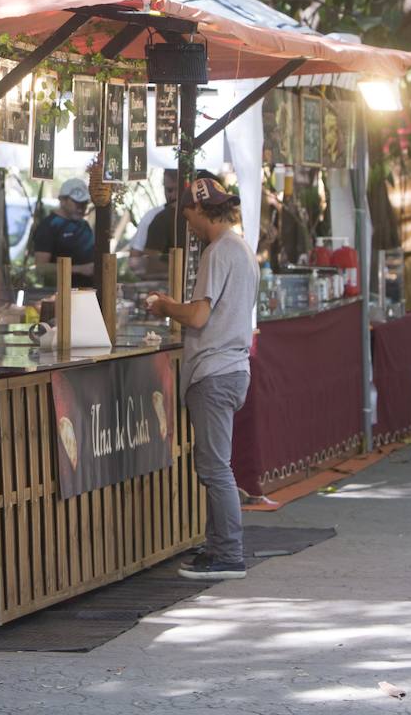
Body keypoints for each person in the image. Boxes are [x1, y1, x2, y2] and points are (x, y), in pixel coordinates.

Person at [146, 178, 258, 581]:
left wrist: (165, 306)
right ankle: (216, 549)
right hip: (233, 368)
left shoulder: (218, 252)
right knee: (214, 465)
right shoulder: (243, 250)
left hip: (215, 371)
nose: (188, 224)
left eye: (188, 215)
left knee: (215, 468)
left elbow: (198, 317)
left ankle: (228, 554)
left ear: (200, 211)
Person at [32, 178, 95, 286]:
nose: (81, 208)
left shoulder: (84, 224)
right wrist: (79, 269)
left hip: (89, 291)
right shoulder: (49, 226)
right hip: (61, 294)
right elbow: (41, 267)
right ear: (62, 200)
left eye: (84, 203)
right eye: (77, 203)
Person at [129, 169, 180, 264]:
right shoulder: (152, 216)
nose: (173, 196)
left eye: (179, 190)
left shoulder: (195, 216)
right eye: (169, 190)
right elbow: (134, 261)